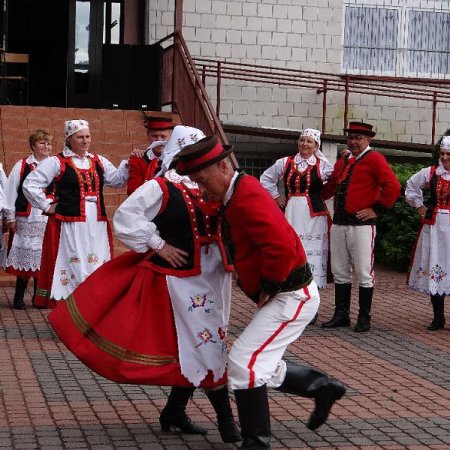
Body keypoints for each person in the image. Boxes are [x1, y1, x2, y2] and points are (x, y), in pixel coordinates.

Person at [48, 126, 241, 443]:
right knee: (208, 344)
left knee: (199, 344)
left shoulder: (212, 184)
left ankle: (173, 412)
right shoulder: (162, 186)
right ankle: (226, 422)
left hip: (214, 275)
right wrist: (158, 243)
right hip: (183, 280)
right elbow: (126, 217)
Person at [173, 136, 346, 450]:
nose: (201, 188)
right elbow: (217, 210)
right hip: (287, 294)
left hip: (292, 295)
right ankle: (322, 388)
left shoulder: (246, 194)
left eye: (202, 180)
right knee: (255, 363)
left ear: (223, 167)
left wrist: (269, 285)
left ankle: (256, 442)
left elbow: (279, 247)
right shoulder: (235, 193)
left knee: (242, 363)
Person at [23, 120, 130, 308]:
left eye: (87, 136)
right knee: (72, 259)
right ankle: (71, 304)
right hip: (70, 223)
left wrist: (131, 163)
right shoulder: (57, 161)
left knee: (95, 259)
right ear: (69, 139)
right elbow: (30, 185)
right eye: (80, 137)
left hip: (96, 222)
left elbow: (117, 180)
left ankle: (92, 301)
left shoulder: (98, 160)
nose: (85, 140)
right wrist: (47, 205)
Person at [321, 121, 401, 332]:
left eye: (358, 138)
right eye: (351, 137)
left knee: (364, 272)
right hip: (339, 223)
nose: (354, 141)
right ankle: (341, 314)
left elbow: (393, 186)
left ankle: (364, 317)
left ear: (368, 140)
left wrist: (377, 209)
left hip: (361, 225)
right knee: (340, 271)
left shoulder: (374, 159)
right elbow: (329, 187)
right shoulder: (344, 160)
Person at [260, 128, 333, 290]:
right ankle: (293, 287)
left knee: (312, 251)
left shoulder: (322, 165)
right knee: (292, 247)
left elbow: (336, 179)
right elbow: (265, 178)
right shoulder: (285, 162)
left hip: (315, 217)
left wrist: (345, 158)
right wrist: (276, 196)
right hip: (292, 213)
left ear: (316, 146)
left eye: (309, 141)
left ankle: (312, 290)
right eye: (302, 140)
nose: (304, 144)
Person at [4, 129, 54, 309]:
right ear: (33, 146)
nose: (46, 146)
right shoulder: (22, 165)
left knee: (43, 256)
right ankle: (18, 296)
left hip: (47, 217)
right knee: (25, 254)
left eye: (48, 143)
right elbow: (10, 191)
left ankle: (38, 297)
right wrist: (10, 217)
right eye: (42, 143)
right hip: (26, 216)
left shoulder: (55, 165)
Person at [405, 135, 450, 330]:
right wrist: (420, 207)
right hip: (434, 227)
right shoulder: (431, 173)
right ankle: (438, 317)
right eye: (442, 153)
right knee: (436, 265)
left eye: (449, 154)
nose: (445, 157)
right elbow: (411, 185)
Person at [127, 115, 174, 195]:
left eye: (163, 136)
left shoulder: (176, 159)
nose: (159, 140)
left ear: (171, 137)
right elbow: (132, 190)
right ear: (148, 135)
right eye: (154, 136)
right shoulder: (138, 159)